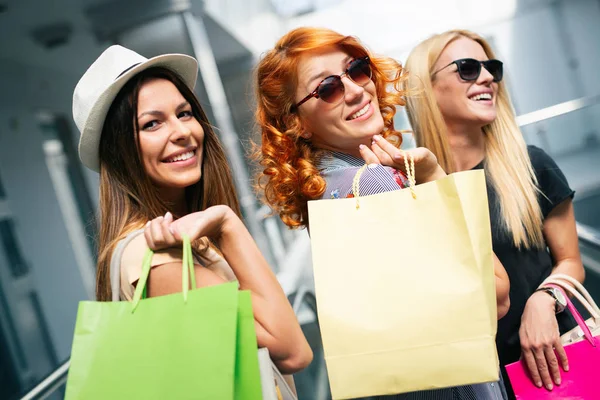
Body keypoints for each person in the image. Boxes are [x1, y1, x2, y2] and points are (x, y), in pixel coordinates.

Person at [254, 26, 510, 399]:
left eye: (357, 69)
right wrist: (434, 179)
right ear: (298, 123)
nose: (357, 89)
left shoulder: (327, 189)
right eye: (327, 88)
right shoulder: (372, 184)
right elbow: (497, 297)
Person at [72, 45, 313, 374]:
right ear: (119, 152)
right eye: (152, 124)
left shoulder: (177, 239)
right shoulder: (157, 257)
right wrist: (228, 224)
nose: (183, 132)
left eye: (184, 113)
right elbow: (293, 354)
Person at [404, 29, 585, 398]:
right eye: (467, 68)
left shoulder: (531, 165)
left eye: (492, 68)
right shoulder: (411, 190)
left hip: (554, 364)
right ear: (427, 88)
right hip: (475, 381)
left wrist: (543, 299)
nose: (487, 76)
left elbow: (570, 261)